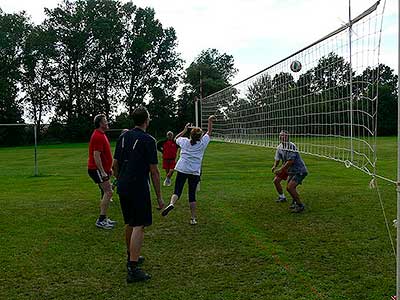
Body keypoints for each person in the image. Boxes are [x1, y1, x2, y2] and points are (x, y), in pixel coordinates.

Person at [113, 106, 164, 283]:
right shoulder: (149, 140)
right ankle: (133, 269)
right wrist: (159, 197)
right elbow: (154, 171)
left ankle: (131, 257)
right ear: (146, 120)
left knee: (129, 222)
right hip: (138, 187)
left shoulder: (123, 136)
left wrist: (120, 179)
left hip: (123, 185)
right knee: (139, 225)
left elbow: (115, 164)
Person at [161, 115, 216, 225]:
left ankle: (172, 203)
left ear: (190, 135)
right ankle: (193, 218)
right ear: (200, 136)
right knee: (192, 195)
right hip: (194, 172)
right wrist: (209, 121)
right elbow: (209, 132)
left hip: (182, 169)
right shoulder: (202, 143)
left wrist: (185, 129)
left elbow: (176, 138)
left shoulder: (185, 141)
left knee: (177, 191)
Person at [87, 114, 116, 229]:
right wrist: (103, 172)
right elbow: (96, 156)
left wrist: (108, 169)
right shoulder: (98, 136)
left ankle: (104, 218)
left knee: (107, 192)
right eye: (105, 121)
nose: (107, 122)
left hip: (101, 169)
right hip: (96, 169)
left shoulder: (102, 135)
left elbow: (103, 155)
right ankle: (101, 220)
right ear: (100, 123)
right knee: (108, 192)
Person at [271, 130, 308, 213]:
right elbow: (277, 159)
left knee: (290, 187)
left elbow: (290, 161)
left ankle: (300, 206)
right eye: (280, 135)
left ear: (288, 137)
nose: (282, 137)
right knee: (277, 181)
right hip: (289, 169)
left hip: (299, 170)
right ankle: (283, 197)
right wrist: (275, 166)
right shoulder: (279, 147)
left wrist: (281, 169)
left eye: (284, 136)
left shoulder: (291, 146)